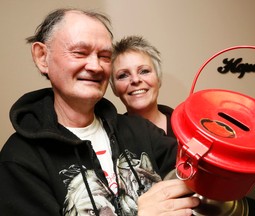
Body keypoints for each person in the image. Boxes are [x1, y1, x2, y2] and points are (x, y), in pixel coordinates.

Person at [0, 8, 199, 216]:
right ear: (42, 57)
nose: (95, 66)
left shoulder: (140, 131)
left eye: (104, 56)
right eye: (80, 53)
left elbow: (200, 183)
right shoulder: (20, 159)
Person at [110, 36, 176, 138]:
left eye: (144, 71)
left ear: (158, 78)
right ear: (114, 87)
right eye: (123, 75)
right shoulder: (111, 137)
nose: (135, 80)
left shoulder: (188, 127)